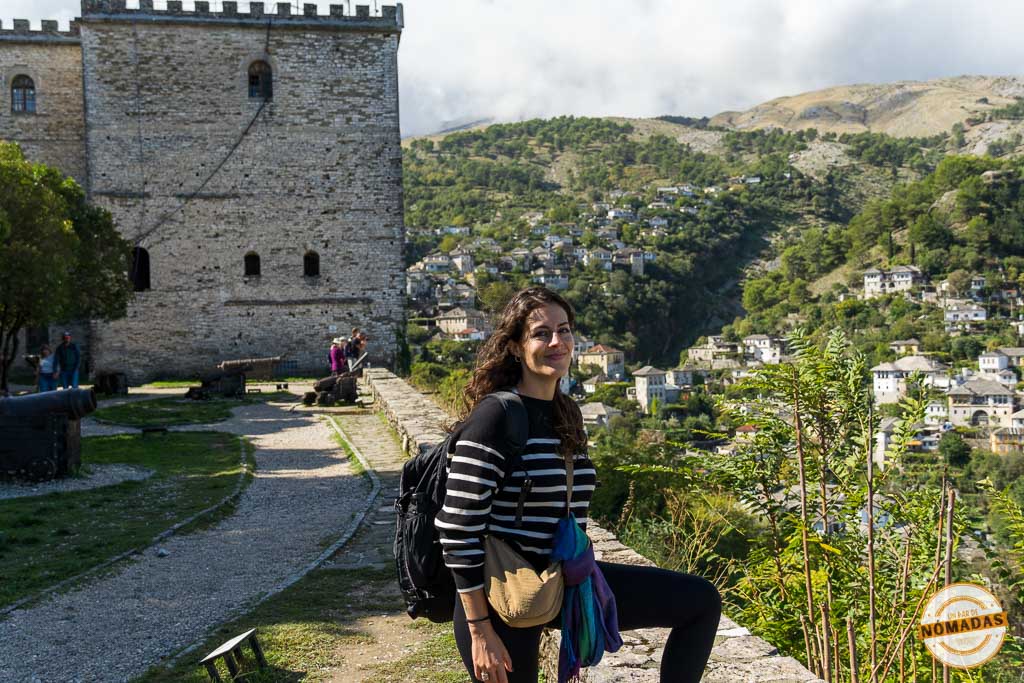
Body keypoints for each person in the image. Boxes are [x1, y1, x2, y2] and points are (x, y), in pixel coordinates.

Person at [436, 287, 721, 683]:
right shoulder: (494, 419)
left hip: (559, 582)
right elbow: (457, 529)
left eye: (564, 330)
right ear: (516, 347)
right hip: (502, 599)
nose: (557, 342)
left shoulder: (564, 413)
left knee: (699, 601)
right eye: (541, 333)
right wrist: (479, 629)